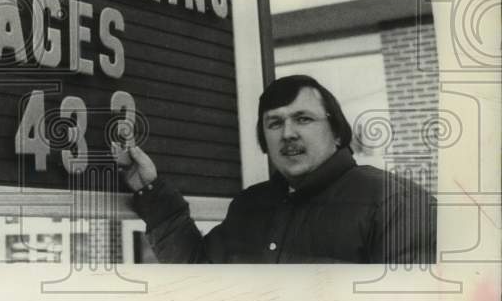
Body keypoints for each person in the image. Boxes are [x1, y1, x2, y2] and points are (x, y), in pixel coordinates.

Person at [119, 74, 437, 263]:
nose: (287, 133)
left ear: (337, 131)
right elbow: (200, 272)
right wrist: (151, 191)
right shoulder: (249, 207)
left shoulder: (395, 203)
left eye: (303, 119)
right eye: (274, 123)